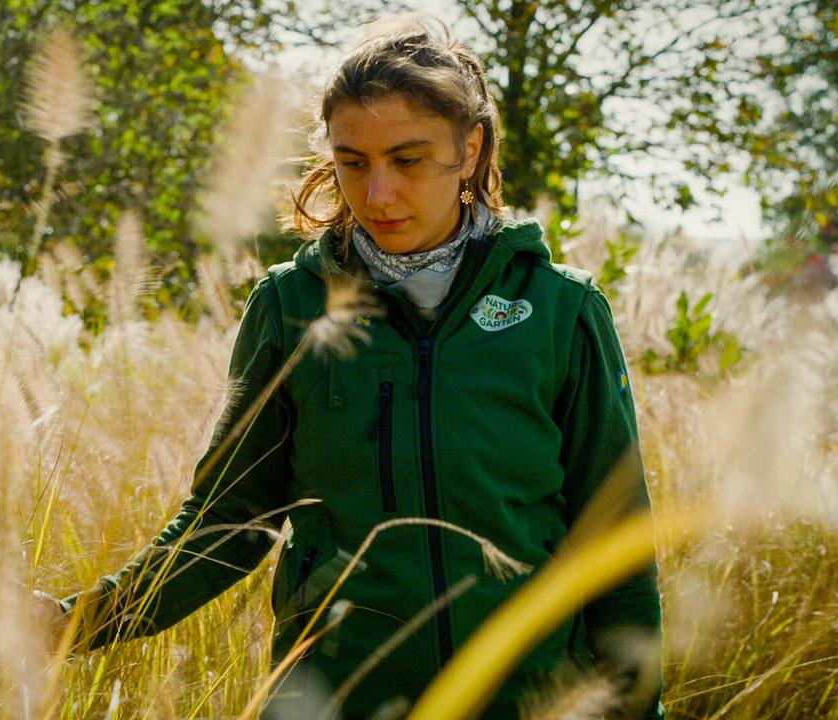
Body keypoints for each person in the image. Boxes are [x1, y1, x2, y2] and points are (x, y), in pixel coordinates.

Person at [34, 16, 663, 720]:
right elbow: (231, 520)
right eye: (352, 162)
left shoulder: (558, 309)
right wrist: (76, 621)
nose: (379, 193)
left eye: (409, 158)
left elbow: (616, 542)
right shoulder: (290, 305)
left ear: (470, 147)